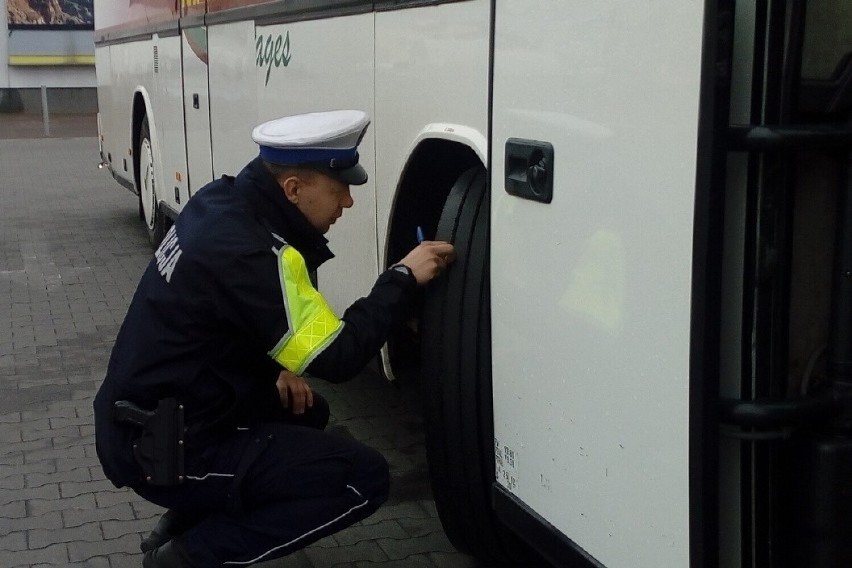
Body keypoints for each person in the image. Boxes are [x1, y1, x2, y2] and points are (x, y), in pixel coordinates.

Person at [93, 110, 455, 567]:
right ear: (293, 190)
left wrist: (280, 367)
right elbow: (339, 356)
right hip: (162, 447)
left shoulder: (223, 202)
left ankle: (184, 520)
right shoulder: (254, 252)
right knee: (362, 477)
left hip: (151, 418)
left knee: (306, 411)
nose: (347, 202)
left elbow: (231, 319)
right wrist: (401, 278)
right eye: (339, 187)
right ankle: (189, 557)